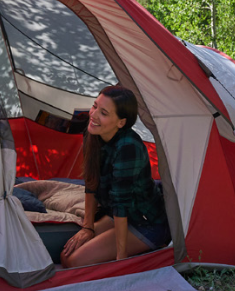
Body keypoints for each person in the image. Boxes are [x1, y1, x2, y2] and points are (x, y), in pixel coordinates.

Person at [60, 85, 170, 267]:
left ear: (121, 122)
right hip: (116, 215)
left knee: (73, 262)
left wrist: (121, 259)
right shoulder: (92, 132)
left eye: (103, 113)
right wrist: (88, 227)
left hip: (145, 223)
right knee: (66, 256)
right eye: (95, 106)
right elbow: (91, 182)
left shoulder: (128, 147)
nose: (93, 115)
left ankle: (150, 247)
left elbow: (121, 203)